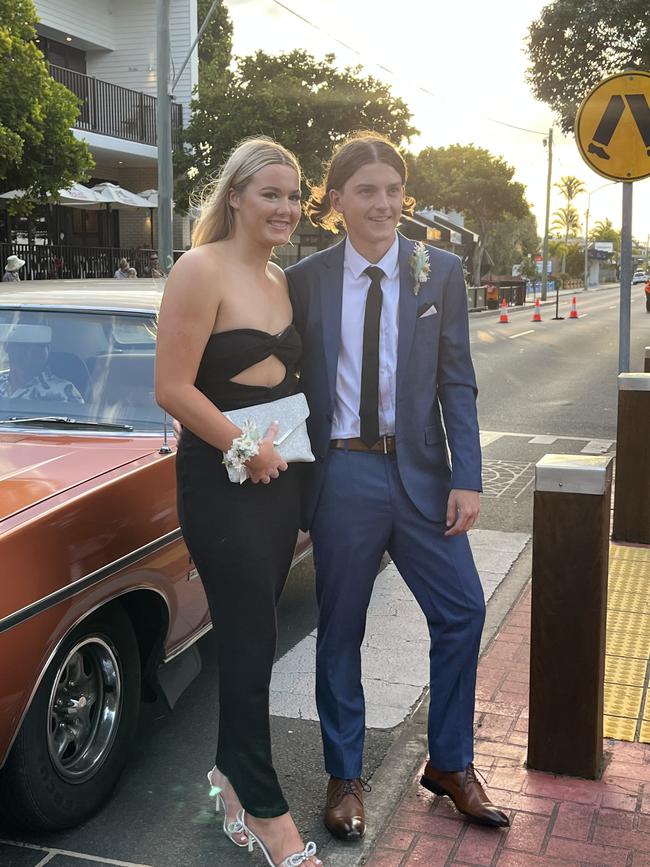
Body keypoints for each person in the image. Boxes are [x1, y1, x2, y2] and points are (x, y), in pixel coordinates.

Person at [286, 132, 509, 840]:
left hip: (421, 472)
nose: (384, 203)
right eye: (367, 191)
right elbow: (283, 379)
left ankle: (450, 762)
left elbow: (458, 381)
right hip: (343, 470)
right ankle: (343, 773)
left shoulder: (437, 270)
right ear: (337, 202)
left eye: (393, 189)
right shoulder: (306, 278)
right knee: (341, 625)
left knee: (462, 609)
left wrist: (467, 477)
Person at [155, 137, 322, 867]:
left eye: (294, 197)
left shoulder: (280, 278)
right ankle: (265, 810)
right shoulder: (200, 269)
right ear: (236, 197)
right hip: (221, 484)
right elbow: (172, 387)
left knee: (253, 641)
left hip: (279, 481)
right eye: (271, 195)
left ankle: (227, 774)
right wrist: (240, 447)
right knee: (252, 640)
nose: (286, 208)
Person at [0, 323, 84, 403]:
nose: (31, 351)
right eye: (23, 344)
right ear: (7, 346)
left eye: (40, 345)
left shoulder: (64, 391)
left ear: (48, 350)